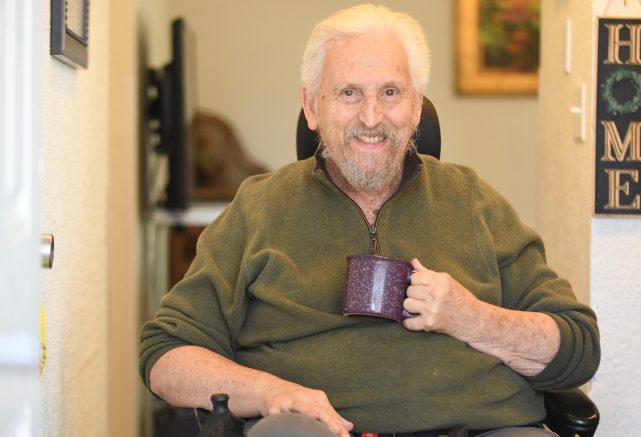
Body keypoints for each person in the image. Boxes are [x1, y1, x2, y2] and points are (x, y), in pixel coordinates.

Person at [139, 4, 600, 437]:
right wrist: (268, 392)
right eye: (348, 93)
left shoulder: (475, 202)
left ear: (417, 106)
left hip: (480, 427)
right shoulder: (259, 208)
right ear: (312, 106)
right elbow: (165, 354)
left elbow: (578, 346)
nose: (372, 117)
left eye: (391, 92)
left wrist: (472, 318)